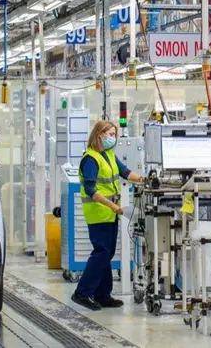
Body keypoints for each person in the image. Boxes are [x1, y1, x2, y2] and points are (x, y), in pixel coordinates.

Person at [71, 120, 146, 311]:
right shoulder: (91, 159)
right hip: (99, 212)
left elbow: (125, 172)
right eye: (110, 134)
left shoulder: (108, 154)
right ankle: (82, 292)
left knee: (107, 253)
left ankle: (102, 294)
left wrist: (144, 179)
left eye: (114, 134)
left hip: (110, 213)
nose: (113, 138)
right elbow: (90, 190)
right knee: (101, 252)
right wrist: (113, 206)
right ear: (99, 135)